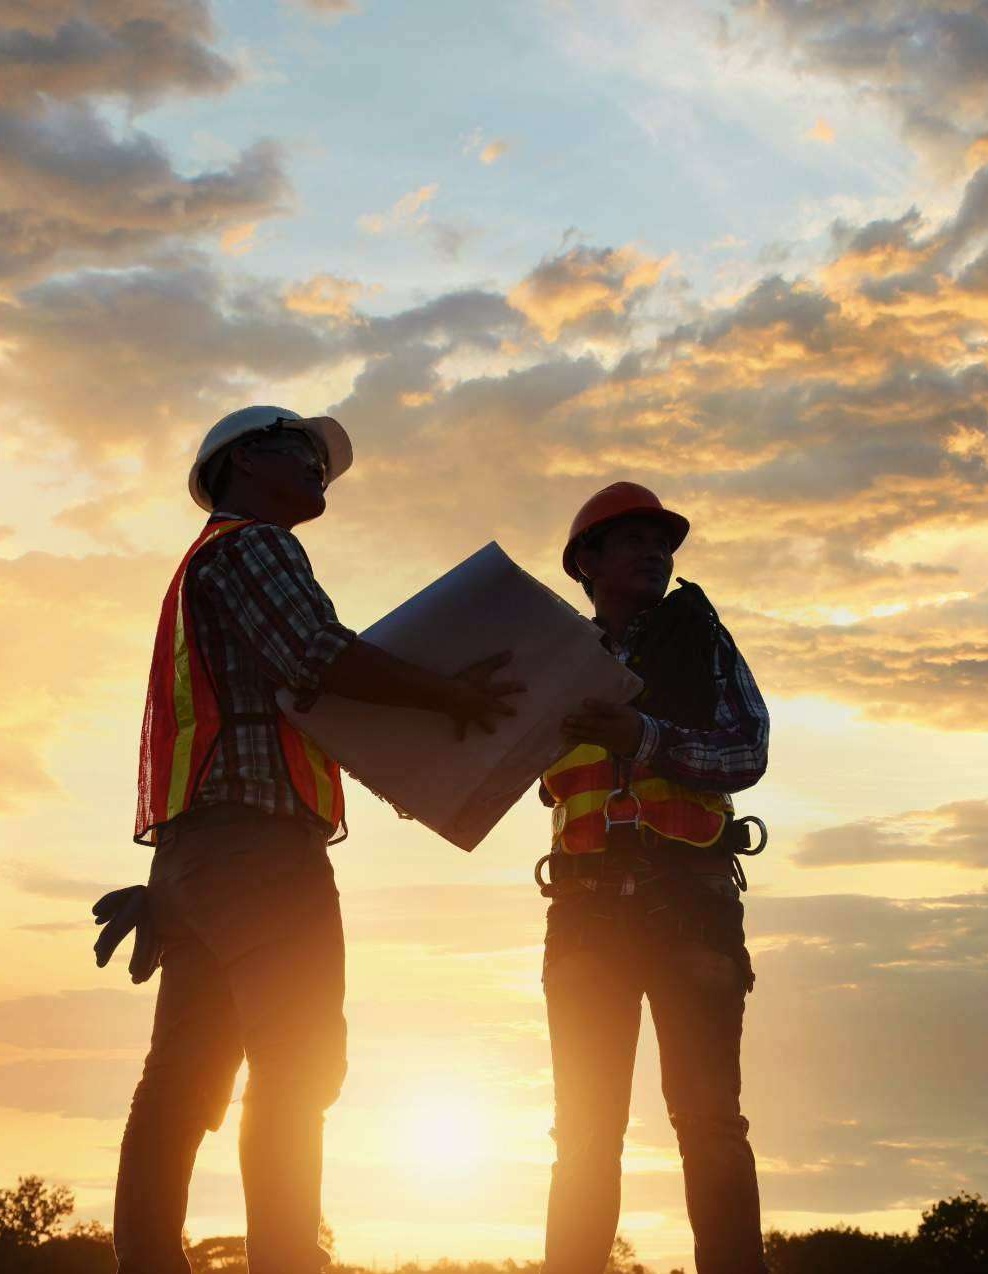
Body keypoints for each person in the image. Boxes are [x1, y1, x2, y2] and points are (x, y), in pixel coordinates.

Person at [115, 405, 522, 1274]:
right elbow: (318, 657)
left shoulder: (201, 567)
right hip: (258, 858)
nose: (319, 471)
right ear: (247, 461)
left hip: (201, 858)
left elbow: (257, 713)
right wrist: (450, 696)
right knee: (296, 1072)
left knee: (181, 1084)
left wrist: (173, 877)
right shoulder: (254, 546)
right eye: (303, 453)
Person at [537, 481, 773, 1274]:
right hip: (584, 913)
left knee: (710, 1123)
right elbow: (486, 764)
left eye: (662, 542)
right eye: (634, 540)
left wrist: (642, 735)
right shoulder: (549, 661)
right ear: (588, 563)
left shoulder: (700, 640)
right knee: (585, 1137)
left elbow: (748, 752)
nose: (656, 553)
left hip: (690, 907)